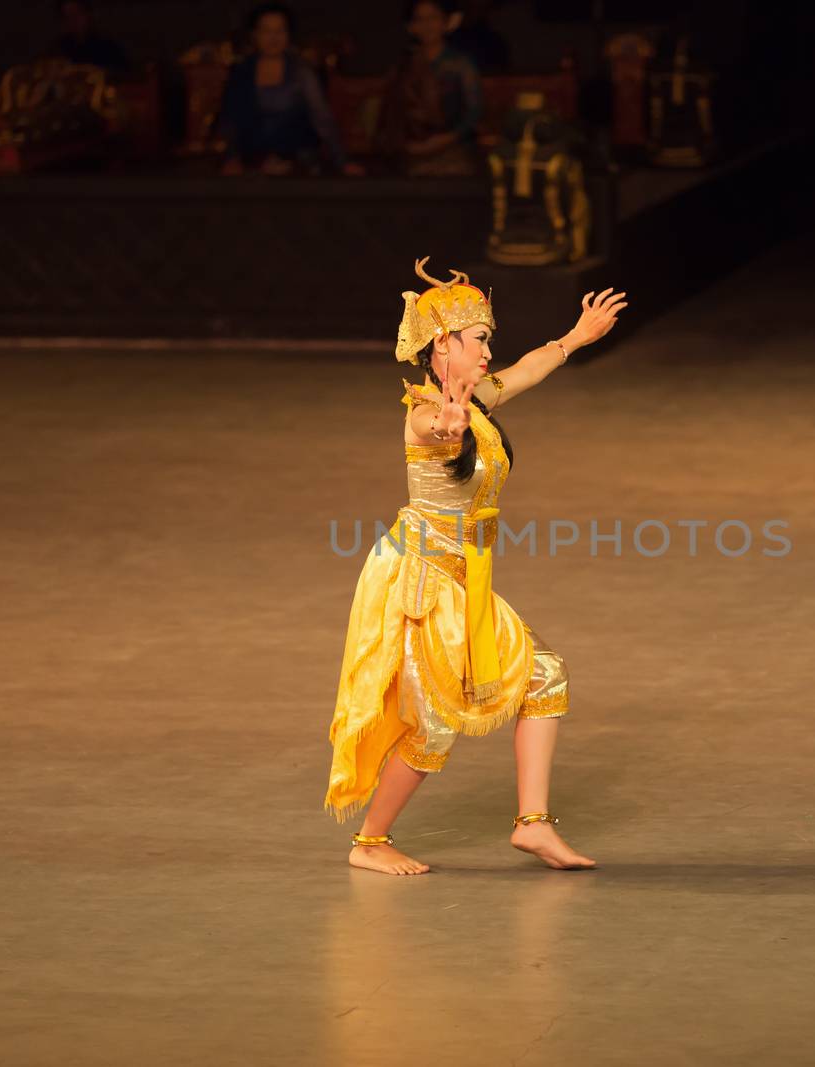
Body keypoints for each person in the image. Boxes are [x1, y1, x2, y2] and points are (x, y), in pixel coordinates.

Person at [325, 258, 628, 875]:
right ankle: (370, 843)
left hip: (468, 576)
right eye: (481, 339)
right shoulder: (423, 412)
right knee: (435, 723)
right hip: (423, 580)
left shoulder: (481, 400)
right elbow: (435, 432)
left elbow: (527, 371)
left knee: (543, 675)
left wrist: (575, 337)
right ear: (444, 345)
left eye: (490, 337)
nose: (492, 349)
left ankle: (533, 825)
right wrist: (449, 424)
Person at [217, 3, 360, 176]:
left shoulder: (302, 72)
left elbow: (322, 119)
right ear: (254, 35)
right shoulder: (242, 72)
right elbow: (231, 119)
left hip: (297, 159)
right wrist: (232, 158)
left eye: (280, 31)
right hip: (253, 160)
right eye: (266, 31)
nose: (273, 38)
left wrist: (343, 162)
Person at [375, 0, 484, 176]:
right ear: (411, 26)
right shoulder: (404, 65)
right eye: (420, 19)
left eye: (433, 18)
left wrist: (444, 139)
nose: (427, 25)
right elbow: (392, 112)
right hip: (411, 150)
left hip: (453, 148)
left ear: (446, 22)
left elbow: (474, 112)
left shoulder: (460, 64)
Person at [53, 0, 131, 74]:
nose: (73, 20)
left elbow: (125, 73)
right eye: (67, 16)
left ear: (89, 15)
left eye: (77, 14)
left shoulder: (107, 46)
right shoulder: (60, 48)